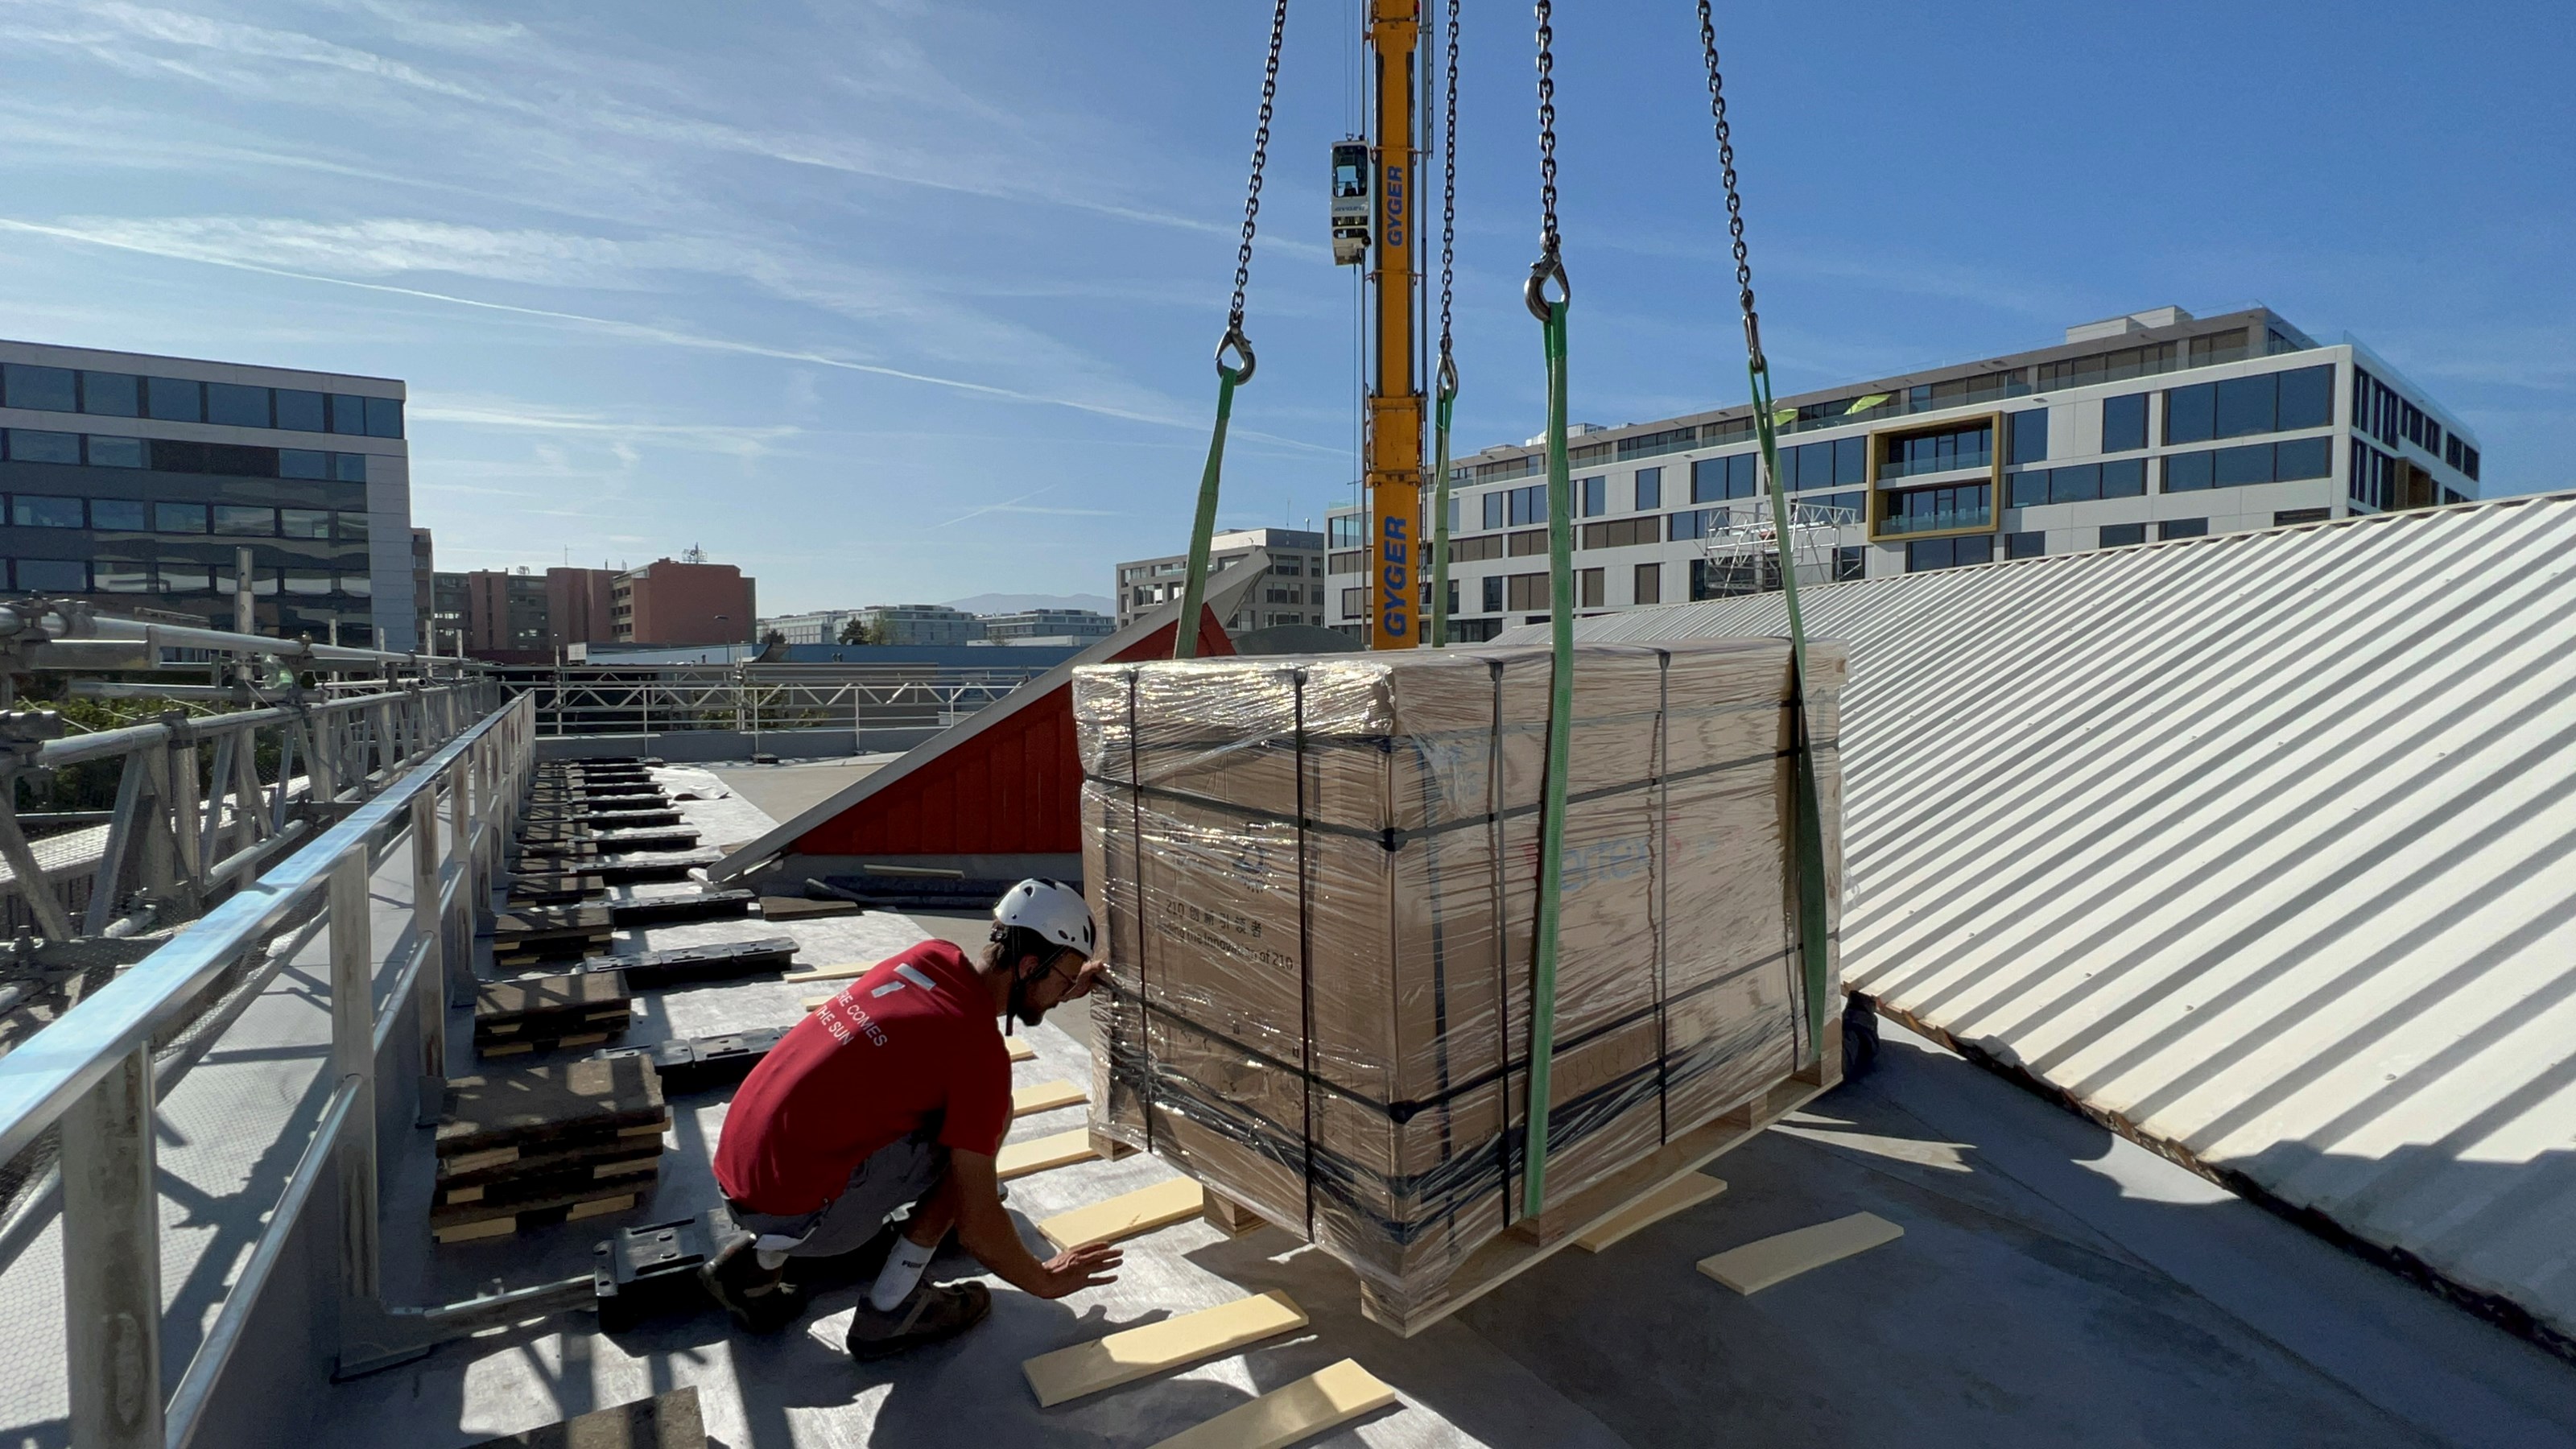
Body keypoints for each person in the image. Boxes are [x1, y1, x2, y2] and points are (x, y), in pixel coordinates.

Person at [701, 878, 1124, 1359]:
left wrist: (1061, 983)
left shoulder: (928, 959)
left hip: (740, 1168)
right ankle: (894, 1306)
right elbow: (979, 1227)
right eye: (1063, 981)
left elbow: (1009, 991)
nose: (1064, 991)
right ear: (1030, 965)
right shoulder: (976, 1053)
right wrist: (1044, 1279)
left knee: (944, 1111)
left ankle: (755, 1269)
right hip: (792, 1210)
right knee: (982, 1128)